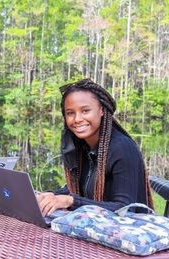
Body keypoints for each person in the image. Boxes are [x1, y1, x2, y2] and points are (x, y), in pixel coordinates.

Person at [37, 78, 154, 216]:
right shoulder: (81, 146)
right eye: (70, 113)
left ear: (102, 110)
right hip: (94, 229)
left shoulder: (122, 148)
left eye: (85, 111)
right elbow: (78, 189)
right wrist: (49, 196)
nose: (77, 119)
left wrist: (70, 201)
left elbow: (126, 209)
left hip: (128, 232)